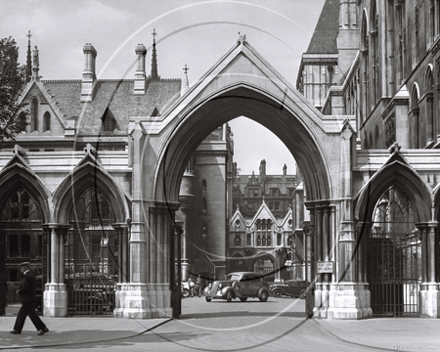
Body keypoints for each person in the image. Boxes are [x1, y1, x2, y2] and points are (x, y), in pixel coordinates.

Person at [10, 262, 49, 336]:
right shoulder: (30, 275)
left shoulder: (26, 276)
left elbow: (25, 287)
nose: (20, 270)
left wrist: (19, 291)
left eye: (21, 268)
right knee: (21, 315)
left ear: (24, 268)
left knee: (33, 315)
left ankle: (42, 328)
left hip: (27, 299)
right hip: (29, 299)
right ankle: (17, 329)